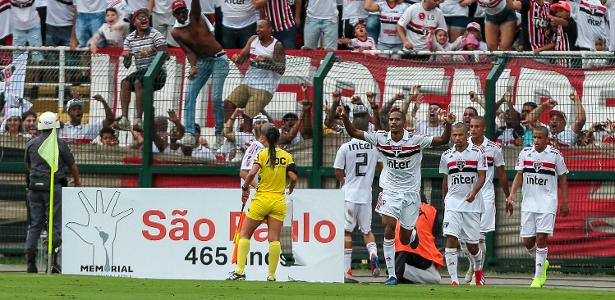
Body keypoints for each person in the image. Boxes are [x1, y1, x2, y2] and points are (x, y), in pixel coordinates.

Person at [338, 105, 454, 285]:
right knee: (388, 227)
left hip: (410, 193)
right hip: (390, 190)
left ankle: (412, 233)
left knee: (405, 238)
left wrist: (447, 124)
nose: (393, 122)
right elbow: (354, 132)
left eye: (397, 119)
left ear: (403, 122)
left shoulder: (416, 140)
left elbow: (443, 139)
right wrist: (345, 117)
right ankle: (391, 275)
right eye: (391, 119)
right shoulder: (380, 138)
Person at [227, 124, 298, 281]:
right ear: (278, 138)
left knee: (245, 234)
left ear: (264, 137)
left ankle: (240, 271)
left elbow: (251, 172)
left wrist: (245, 186)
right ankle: (271, 275)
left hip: (262, 200)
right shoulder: (287, 156)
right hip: (279, 201)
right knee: (274, 239)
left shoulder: (262, 154)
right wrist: (290, 188)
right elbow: (293, 177)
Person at [506, 126, 569, 288]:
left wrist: (565, 202)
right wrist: (512, 195)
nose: (537, 141)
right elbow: (519, 175)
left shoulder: (555, 155)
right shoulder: (525, 153)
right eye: (534, 137)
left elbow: (563, 178)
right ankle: (542, 263)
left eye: (540, 138)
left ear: (547, 139)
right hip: (529, 203)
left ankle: (538, 277)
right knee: (528, 241)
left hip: (547, 202)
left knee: (541, 238)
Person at [24, 111, 81, 273]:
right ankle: (53, 262)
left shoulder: (31, 144)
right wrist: (77, 181)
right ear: (55, 125)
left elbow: (28, 167)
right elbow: (72, 166)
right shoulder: (60, 144)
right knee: (54, 224)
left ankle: (30, 261)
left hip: (34, 188)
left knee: (35, 224)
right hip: (53, 188)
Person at [171, 0, 229, 147]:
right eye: (178, 12)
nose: (182, 14)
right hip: (202, 62)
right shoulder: (175, 32)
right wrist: (193, 66)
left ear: (187, 10)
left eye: (183, 10)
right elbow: (189, 51)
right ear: (174, 15)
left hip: (219, 59)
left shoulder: (195, 16)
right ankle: (190, 133)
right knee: (189, 95)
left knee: (216, 98)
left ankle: (219, 134)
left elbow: (196, 5)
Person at [333, 116, 382, 279]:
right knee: (367, 231)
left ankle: (347, 270)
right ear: (367, 129)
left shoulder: (345, 147)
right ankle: (373, 255)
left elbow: (338, 170)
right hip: (366, 195)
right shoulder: (374, 147)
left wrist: (343, 181)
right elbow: (380, 167)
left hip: (349, 195)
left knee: (347, 232)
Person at [439, 122, 487, 286]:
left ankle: (478, 269)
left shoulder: (478, 152)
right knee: (451, 238)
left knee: (472, 246)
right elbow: (445, 180)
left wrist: (474, 192)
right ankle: (454, 280)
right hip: (452, 203)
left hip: (471, 204)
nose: (457, 138)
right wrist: (445, 201)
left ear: (467, 134)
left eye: (460, 135)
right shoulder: (446, 155)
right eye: (454, 135)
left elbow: (482, 176)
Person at [462, 116, 509, 283]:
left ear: (483, 129)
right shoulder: (461, 144)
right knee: (465, 239)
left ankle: (478, 273)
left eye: (476, 127)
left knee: (480, 237)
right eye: (471, 126)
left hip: (486, 195)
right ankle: (471, 265)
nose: (472, 129)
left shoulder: (493, 148)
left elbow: (502, 174)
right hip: (465, 196)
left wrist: (508, 196)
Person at [224, 20, 285, 126]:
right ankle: (228, 132)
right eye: (257, 27)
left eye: (261, 27)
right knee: (228, 103)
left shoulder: (277, 45)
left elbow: (282, 69)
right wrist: (236, 59)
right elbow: (241, 59)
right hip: (247, 83)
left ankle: (247, 138)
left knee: (248, 116)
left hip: (264, 88)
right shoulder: (253, 39)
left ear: (270, 29)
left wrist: (268, 60)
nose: (257, 30)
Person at [116, 8, 169, 132]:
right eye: (140, 17)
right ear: (134, 22)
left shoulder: (155, 34)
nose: (144, 19)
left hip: (158, 72)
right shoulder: (129, 39)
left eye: (146, 17)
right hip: (142, 72)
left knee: (138, 82)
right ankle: (124, 119)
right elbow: (127, 65)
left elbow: (166, 54)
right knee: (125, 83)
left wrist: (152, 50)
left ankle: (138, 120)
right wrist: (126, 57)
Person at [394, 199, 444, 284]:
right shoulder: (431, 210)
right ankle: (402, 271)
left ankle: (397, 270)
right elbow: (435, 233)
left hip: (396, 251)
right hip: (418, 250)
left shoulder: (401, 207)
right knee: (436, 278)